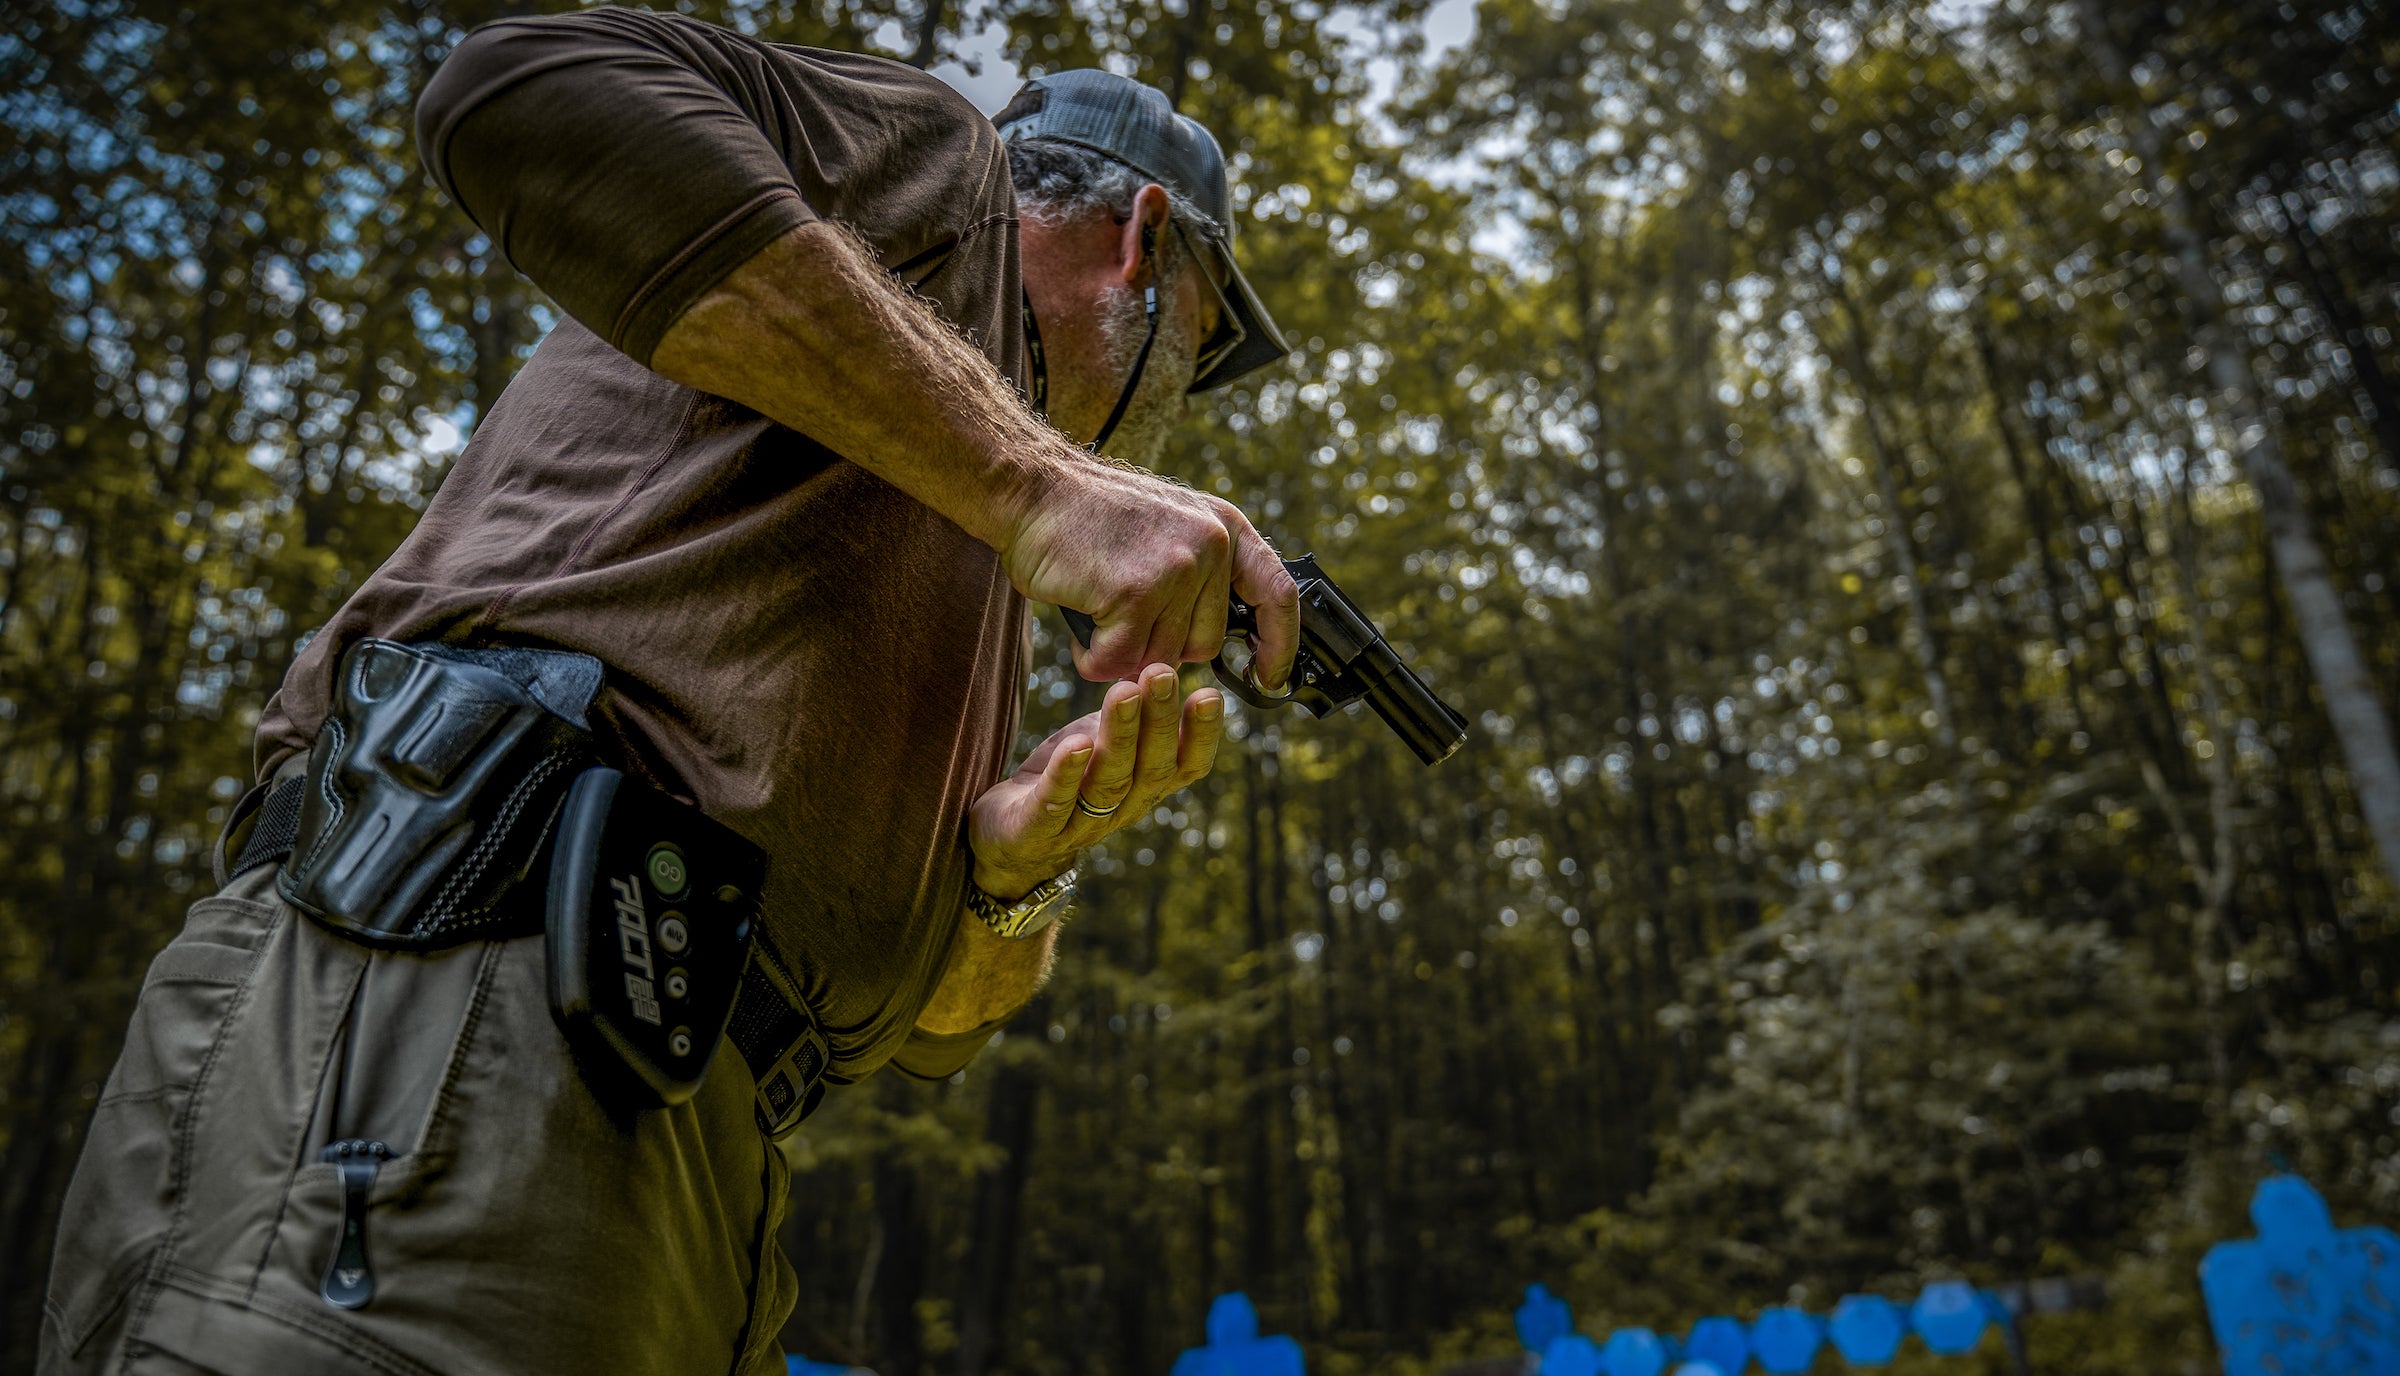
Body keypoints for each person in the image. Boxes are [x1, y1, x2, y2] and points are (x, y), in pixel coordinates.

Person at [39, 10, 1301, 1374]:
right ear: (1143, 240)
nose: (1178, 401)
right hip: (458, 1000)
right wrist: (1045, 484)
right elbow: (516, 85)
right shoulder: (949, 182)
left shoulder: (977, 537)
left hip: (694, 1150)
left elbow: (923, 1040)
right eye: (1200, 343)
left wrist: (1010, 882)